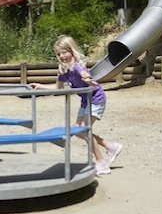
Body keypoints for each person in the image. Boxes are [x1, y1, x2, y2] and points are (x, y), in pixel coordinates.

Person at [29, 35, 123, 176]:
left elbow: (85, 74)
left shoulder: (77, 66)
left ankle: (102, 163)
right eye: (59, 53)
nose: (62, 56)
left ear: (71, 51)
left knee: (84, 130)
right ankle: (110, 146)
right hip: (85, 101)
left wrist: (88, 79)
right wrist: (40, 86)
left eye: (64, 52)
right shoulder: (63, 70)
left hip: (96, 99)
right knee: (79, 131)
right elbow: (57, 88)